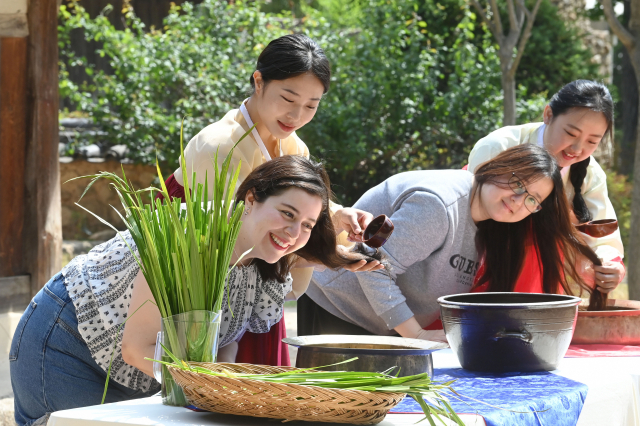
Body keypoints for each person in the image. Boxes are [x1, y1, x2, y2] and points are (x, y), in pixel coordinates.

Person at [10, 156, 374, 426]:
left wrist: (221, 387)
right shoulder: (189, 236)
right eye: (287, 213)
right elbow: (138, 348)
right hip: (67, 344)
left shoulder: (265, 260)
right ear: (250, 199)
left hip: (138, 374)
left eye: (308, 224)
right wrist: (208, 389)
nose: (295, 233)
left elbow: (222, 340)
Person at [157, 33, 379, 366]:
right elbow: (234, 242)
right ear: (258, 81)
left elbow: (291, 209)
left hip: (260, 259)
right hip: (205, 263)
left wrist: (337, 215)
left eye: (310, 106)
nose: (296, 115)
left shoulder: (293, 146)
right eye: (288, 98)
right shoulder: (219, 146)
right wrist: (324, 253)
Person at [300, 144, 600, 342]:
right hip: (337, 308)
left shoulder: (494, 226)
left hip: (381, 326)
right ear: (495, 166)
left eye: (533, 200)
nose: (518, 200)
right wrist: (415, 335)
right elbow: (373, 267)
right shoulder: (440, 207)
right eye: (518, 183)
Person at [468, 80, 623, 294]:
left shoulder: (591, 173)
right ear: (548, 115)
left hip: (543, 273)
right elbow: (466, 213)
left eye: (592, 141)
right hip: (478, 256)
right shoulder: (500, 147)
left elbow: (602, 234)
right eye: (571, 134)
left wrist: (609, 264)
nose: (577, 149)